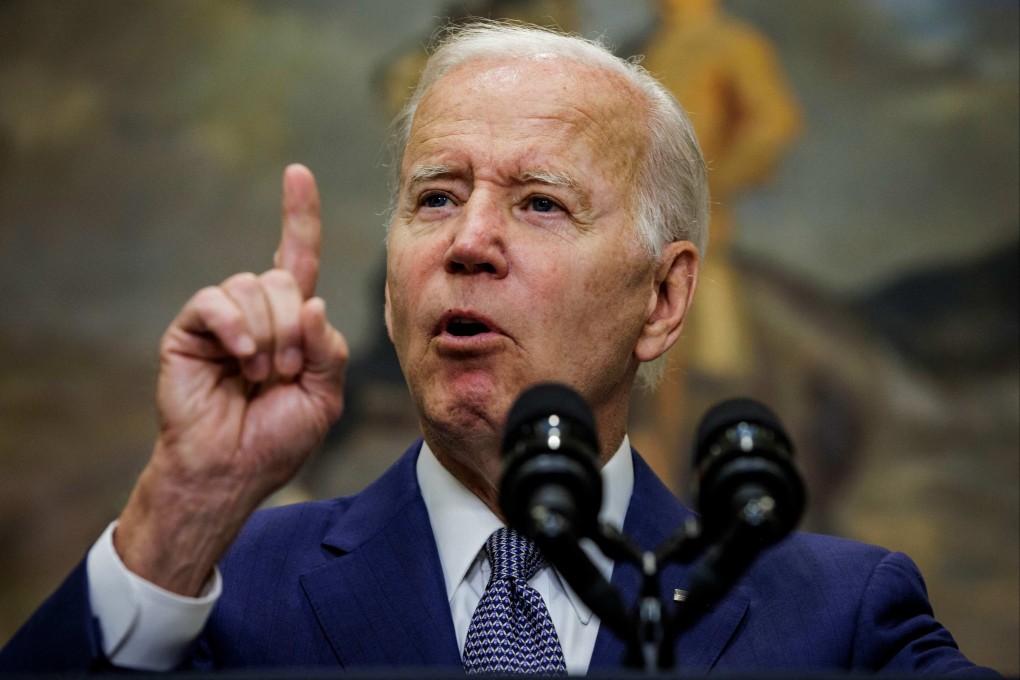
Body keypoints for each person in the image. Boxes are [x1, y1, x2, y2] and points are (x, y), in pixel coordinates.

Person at [0, 21, 996, 676]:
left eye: (539, 203)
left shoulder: (838, 623)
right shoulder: (215, 591)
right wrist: (182, 506)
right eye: (435, 195)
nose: (468, 240)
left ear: (663, 294)